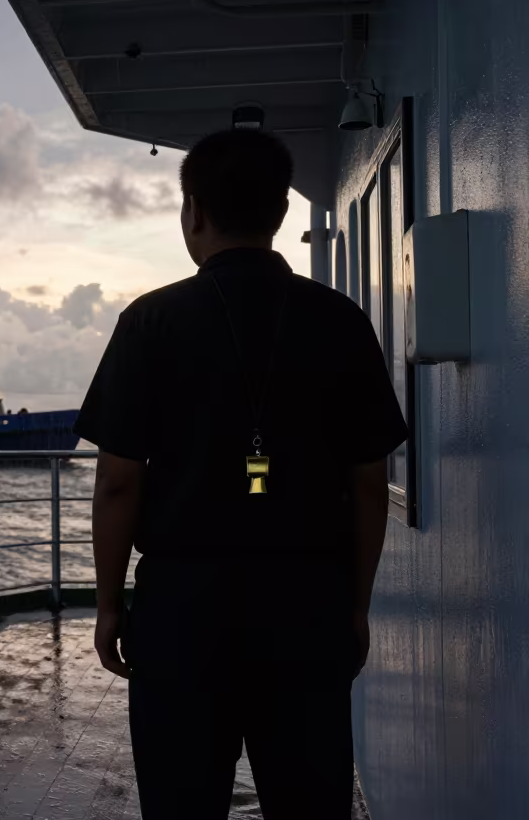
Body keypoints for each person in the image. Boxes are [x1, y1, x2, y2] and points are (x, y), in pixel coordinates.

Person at [75, 129, 407, 820]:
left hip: (183, 609)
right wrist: (354, 603)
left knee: (182, 801)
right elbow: (370, 483)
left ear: (193, 210)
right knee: (311, 799)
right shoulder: (339, 320)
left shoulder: (150, 320)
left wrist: (110, 603)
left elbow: (117, 482)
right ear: (281, 210)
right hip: (307, 599)